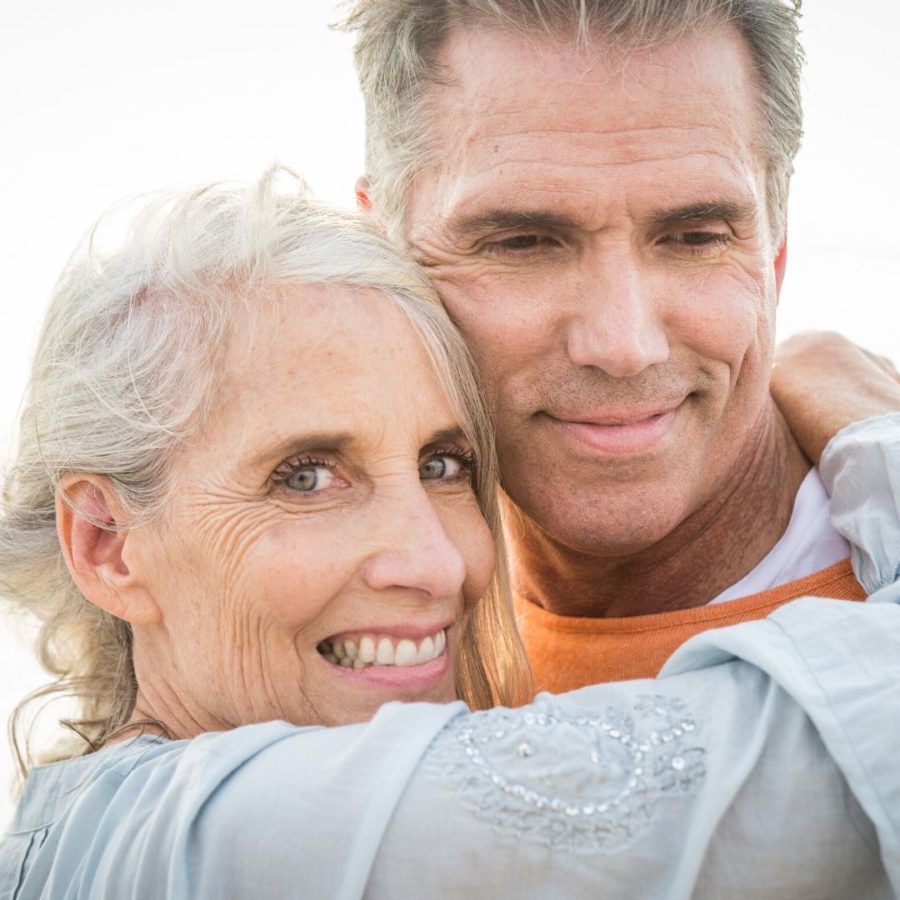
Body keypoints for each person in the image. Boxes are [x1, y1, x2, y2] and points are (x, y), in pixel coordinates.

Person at [1, 171, 900, 899]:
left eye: (444, 466)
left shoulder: (82, 823)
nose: (438, 564)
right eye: (307, 476)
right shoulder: (225, 841)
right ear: (107, 543)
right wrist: (867, 431)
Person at [344, 0, 900, 690]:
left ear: (774, 254)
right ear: (383, 255)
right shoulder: (338, 628)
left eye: (696, 237)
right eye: (522, 242)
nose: (622, 345)